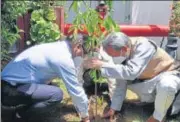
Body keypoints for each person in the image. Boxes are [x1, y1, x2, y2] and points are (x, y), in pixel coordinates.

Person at [83, 32, 180, 122]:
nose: (113, 58)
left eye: (114, 55)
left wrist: (102, 65)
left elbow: (131, 72)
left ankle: (158, 117)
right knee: (123, 75)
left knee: (167, 85)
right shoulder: (124, 52)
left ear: (124, 49)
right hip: (149, 80)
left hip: (168, 74)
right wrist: (114, 108)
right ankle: (155, 103)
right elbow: (120, 82)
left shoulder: (143, 46)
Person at [1, 34, 90, 122]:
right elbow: (74, 89)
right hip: (9, 90)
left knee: (50, 86)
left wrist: (80, 104)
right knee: (56, 94)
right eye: (84, 53)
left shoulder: (60, 47)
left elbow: (73, 82)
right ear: (78, 46)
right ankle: (19, 115)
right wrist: (85, 117)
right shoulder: (63, 58)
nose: (83, 56)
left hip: (8, 84)